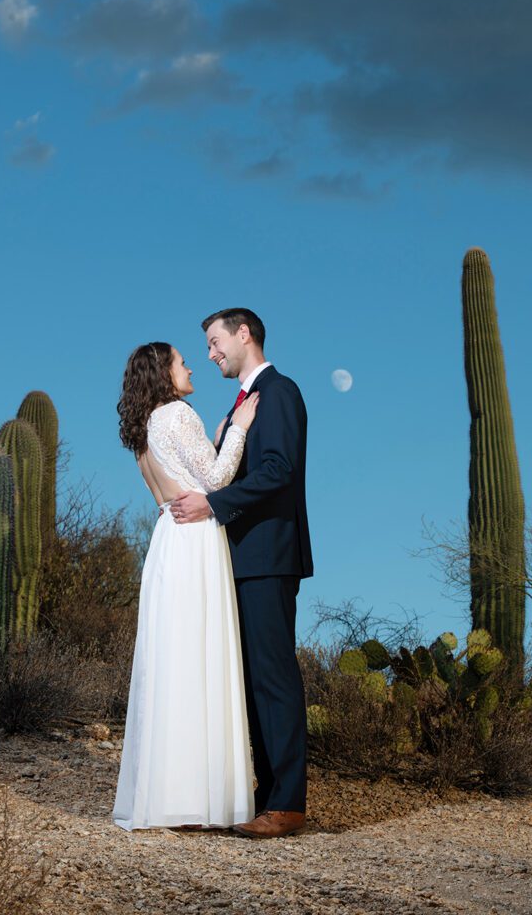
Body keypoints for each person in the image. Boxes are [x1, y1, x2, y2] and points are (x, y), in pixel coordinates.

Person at [170, 309, 313, 839]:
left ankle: (287, 804)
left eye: (214, 341)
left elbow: (279, 470)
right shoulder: (240, 405)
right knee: (251, 682)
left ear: (244, 334)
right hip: (240, 560)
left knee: (273, 678)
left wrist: (213, 504)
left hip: (269, 558)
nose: (210, 354)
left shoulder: (279, 392)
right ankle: (262, 798)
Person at [112, 341, 259, 831]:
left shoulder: (144, 429)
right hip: (195, 541)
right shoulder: (177, 413)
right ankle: (203, 800)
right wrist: (237, 431)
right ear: (163, 374)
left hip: (165, 541)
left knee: (171, 664)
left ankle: (168, 796)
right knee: (201, 659)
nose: (191, 366)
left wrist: (216, 436)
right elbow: (216, 479)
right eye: (181, 361)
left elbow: (177, 481)